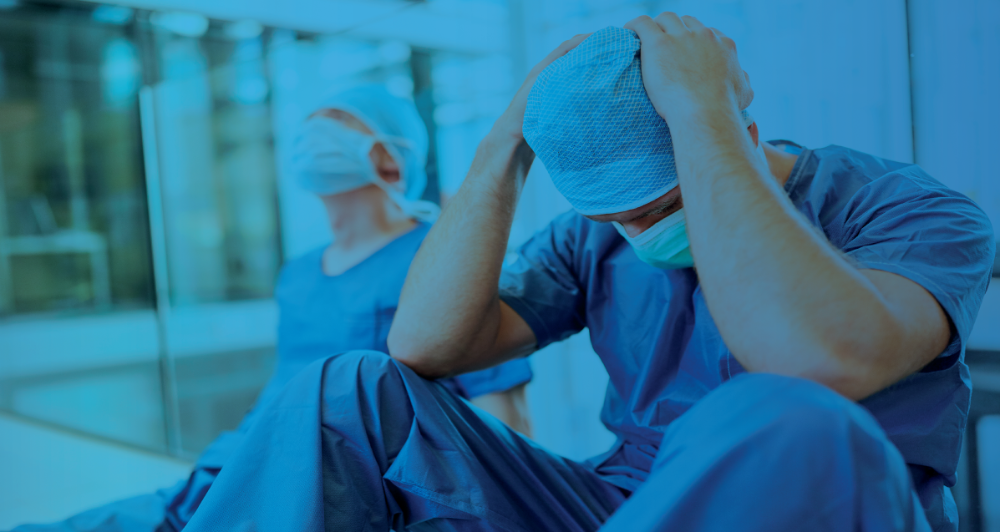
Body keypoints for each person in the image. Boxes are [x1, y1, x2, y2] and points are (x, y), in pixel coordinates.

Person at [180, 16, 994, 532]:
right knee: (350, 388)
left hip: (822, 505)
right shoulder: (591, 242)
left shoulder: (910, 212)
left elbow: (816, 362)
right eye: (618, 218)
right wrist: (504, 147)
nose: (639, 236)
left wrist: (702, 114)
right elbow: (422, 346)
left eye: (660, 206)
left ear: (744, 133)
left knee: (785, 412)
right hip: (624, 505)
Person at [10, 87, 532, 532]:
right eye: (312, 123)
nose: (314, 134)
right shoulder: (299, 273)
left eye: (339, 121)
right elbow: (284, 386)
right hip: (242, 459)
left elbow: (498, 411)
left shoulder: (440, 261)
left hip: (328, 486)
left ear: (393, 159)